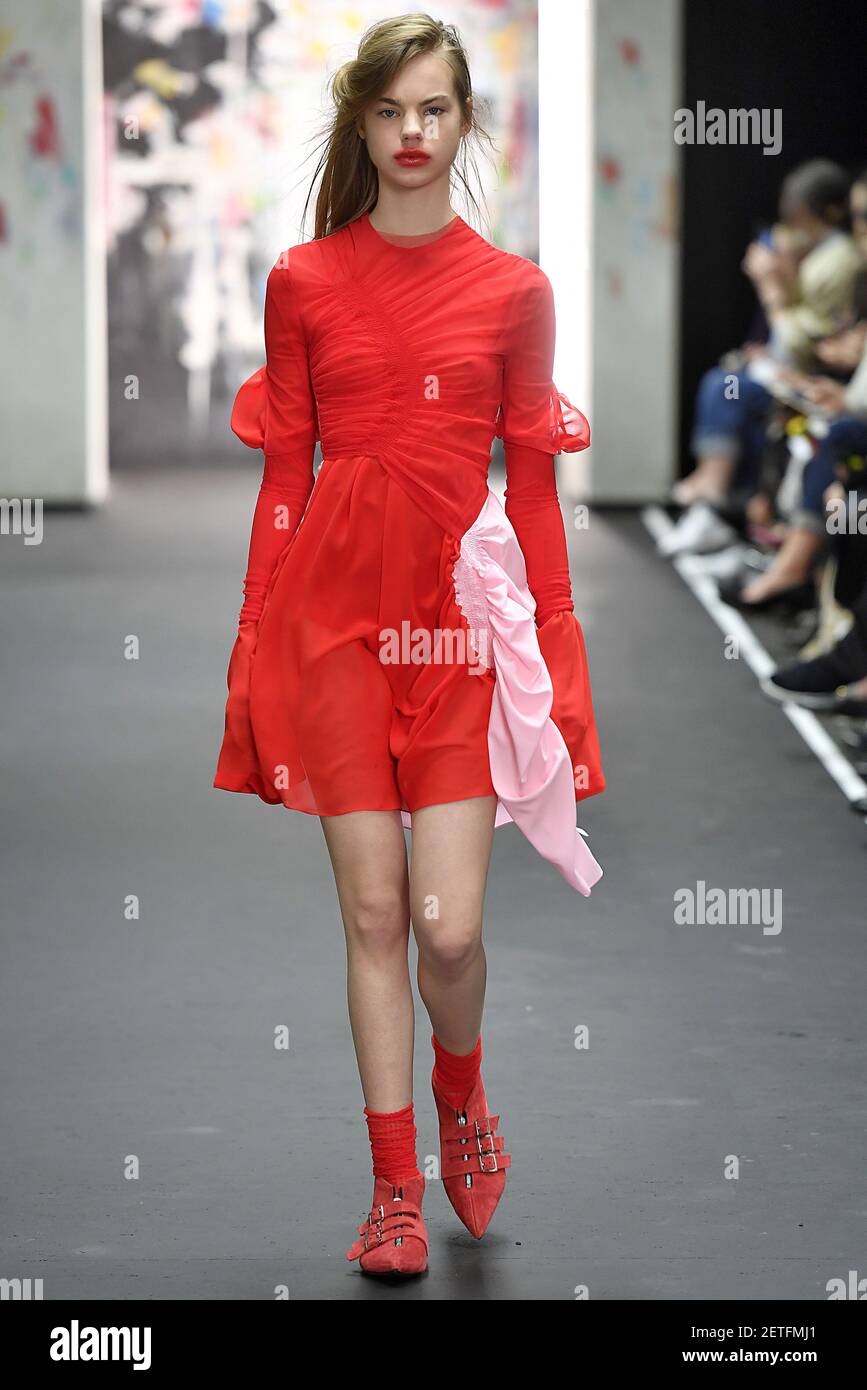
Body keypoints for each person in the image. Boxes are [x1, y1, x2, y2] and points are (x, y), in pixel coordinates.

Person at [212, 14, 605, 1277]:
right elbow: (283, 485)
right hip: (333, 625)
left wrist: (561, 670)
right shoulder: (305, 282)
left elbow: (535, 498)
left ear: (464, 121)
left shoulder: (513, 293)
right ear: (362, 124)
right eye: (391, 112)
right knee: (375, 913)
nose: (414, 133)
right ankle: (394, 1186)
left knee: (446, 930)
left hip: (457, 634)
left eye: (435, 109)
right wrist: (254, 650)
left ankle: (463, 1090)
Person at [661, 160, 861, 558]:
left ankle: (714, 496)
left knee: (729, 388)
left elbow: (806, 345)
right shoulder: (820, 254)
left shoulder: (837, 260)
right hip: (803, 383)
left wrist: (774, 286)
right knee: (727, 377)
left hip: (816, 388)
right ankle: (714, 503)